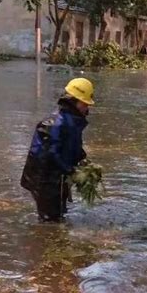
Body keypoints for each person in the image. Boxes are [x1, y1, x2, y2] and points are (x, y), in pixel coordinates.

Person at [21, 77, 94, 222]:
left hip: (58, 177)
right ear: (73, 101)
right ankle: (44, 241)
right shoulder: (55, 124)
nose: (87, 107)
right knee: (50, 221)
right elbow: (52, 154)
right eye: (84, 103)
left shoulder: (73, 121)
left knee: (60, 213)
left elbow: (73, 147)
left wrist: (83, 162)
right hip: (43, 179)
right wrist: (71, 171)